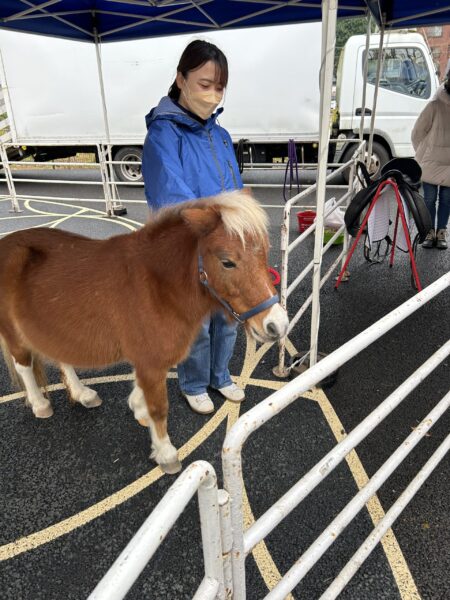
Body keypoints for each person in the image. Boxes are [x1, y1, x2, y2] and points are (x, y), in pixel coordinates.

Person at [142, 40, 245, 414]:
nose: (214, 95)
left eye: (220, 86)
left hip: (224, 245)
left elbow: (235, 186)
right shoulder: (163, 135)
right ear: (181, 79)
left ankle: (220, 375)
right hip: (186, 245)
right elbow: (173, 198)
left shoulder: (220, 134)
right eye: (205, 84)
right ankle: (194, 381)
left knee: (229, 314)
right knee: (198, 322)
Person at [411, 69, 450, 250]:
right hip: (431, 161)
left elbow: (417, 133)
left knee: (446, 198)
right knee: (430, 198)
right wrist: (424, 151)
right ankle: (429, 231)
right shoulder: (435, 104)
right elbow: (418, 132)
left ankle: (441, 231)